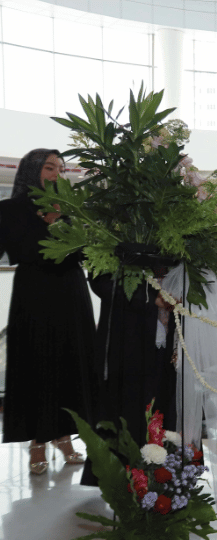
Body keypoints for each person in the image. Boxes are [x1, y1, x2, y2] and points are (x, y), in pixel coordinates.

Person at [0, 149, 95, 474]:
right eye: (49, 167)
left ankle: (65, 436)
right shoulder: (10, 209)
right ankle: (37, 441)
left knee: (71, 363)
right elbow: (18, 251)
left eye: (60, 169)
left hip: (71, 292)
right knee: (36, 362)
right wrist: (48, 223)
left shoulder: (72, 207)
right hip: (34, 294)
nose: (57, 174)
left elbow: (84, 253)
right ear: (32, 170)